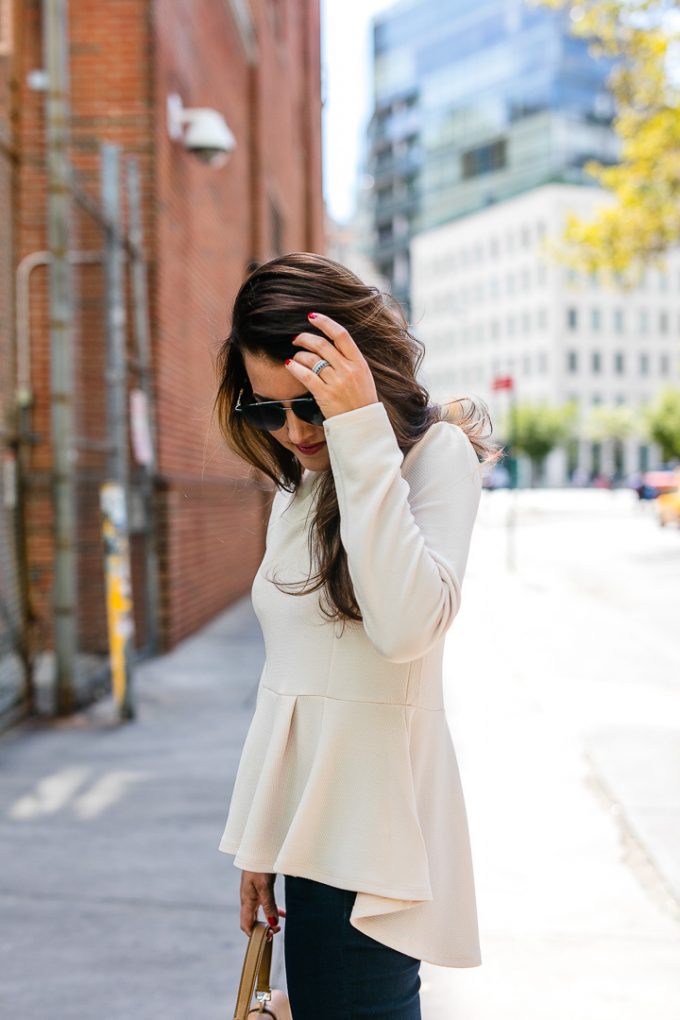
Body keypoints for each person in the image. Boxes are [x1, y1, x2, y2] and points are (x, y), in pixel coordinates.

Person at [213, 252, 500, 1019]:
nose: (293, 430)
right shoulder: (301, 487)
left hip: (373, 848)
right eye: (267, 411)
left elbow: (407, 628)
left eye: (308, 403)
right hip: (308, 840)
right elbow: (290, 684)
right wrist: (259, 842)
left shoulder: (430, 459)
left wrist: (360, 429)